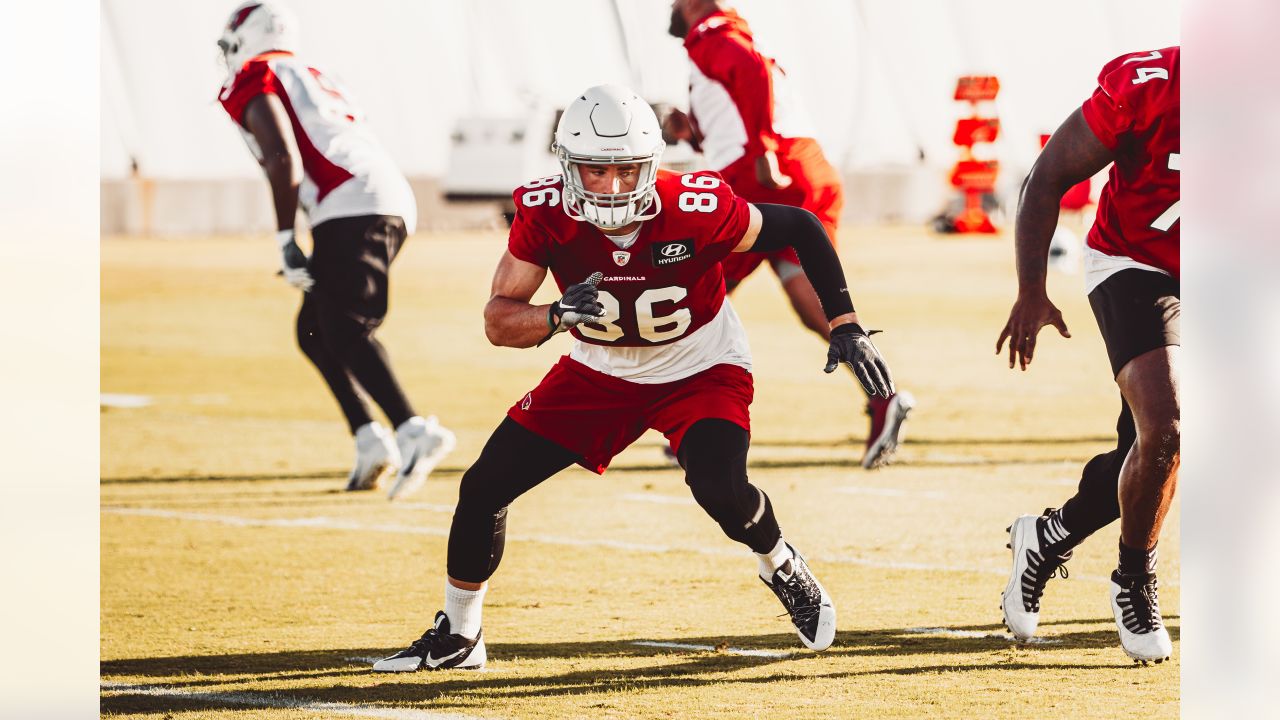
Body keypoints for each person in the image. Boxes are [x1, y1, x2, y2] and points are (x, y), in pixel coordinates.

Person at [372, 85, 895, 671]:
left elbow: (800, 225)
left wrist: (845, 322)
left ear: (651, 163)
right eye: (596, 171)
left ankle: (779, 560)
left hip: (699, 363)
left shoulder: (694, 205)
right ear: (568, 166)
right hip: (598, 370)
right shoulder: (545, 211)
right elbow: (498, 320)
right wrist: (553, 315)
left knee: (721, 490)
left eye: (627, 170)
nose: (613, 186)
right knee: (483, 488)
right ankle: (460, 635)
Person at [216, 1, 454, 500]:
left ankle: (414, 430)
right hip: (376, 195)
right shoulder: (313, 71)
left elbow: (282, 155)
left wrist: (285, 238)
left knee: (343, 328)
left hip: (351, 202)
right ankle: (371, 438)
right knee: (315, 331)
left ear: (247, 37)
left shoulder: (256, 74)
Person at [663, 0, 914, 469]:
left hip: (760, 176)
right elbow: (743, 98)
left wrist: (762, 150)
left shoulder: (712, 35)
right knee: (812, 305)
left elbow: (751, 72)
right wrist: (692, 131)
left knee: (692, 294)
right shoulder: (734, 34)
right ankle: (884, 394)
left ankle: (692, 424)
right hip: (803, 167)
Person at [996, 47, 1179, 664]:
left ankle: (1046, 539)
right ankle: (1134, 580)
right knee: (1168, 428)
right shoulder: (1147, 85)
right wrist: (1031, 291)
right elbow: (1047, 175)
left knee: (1150, 453)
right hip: (1135, 262)